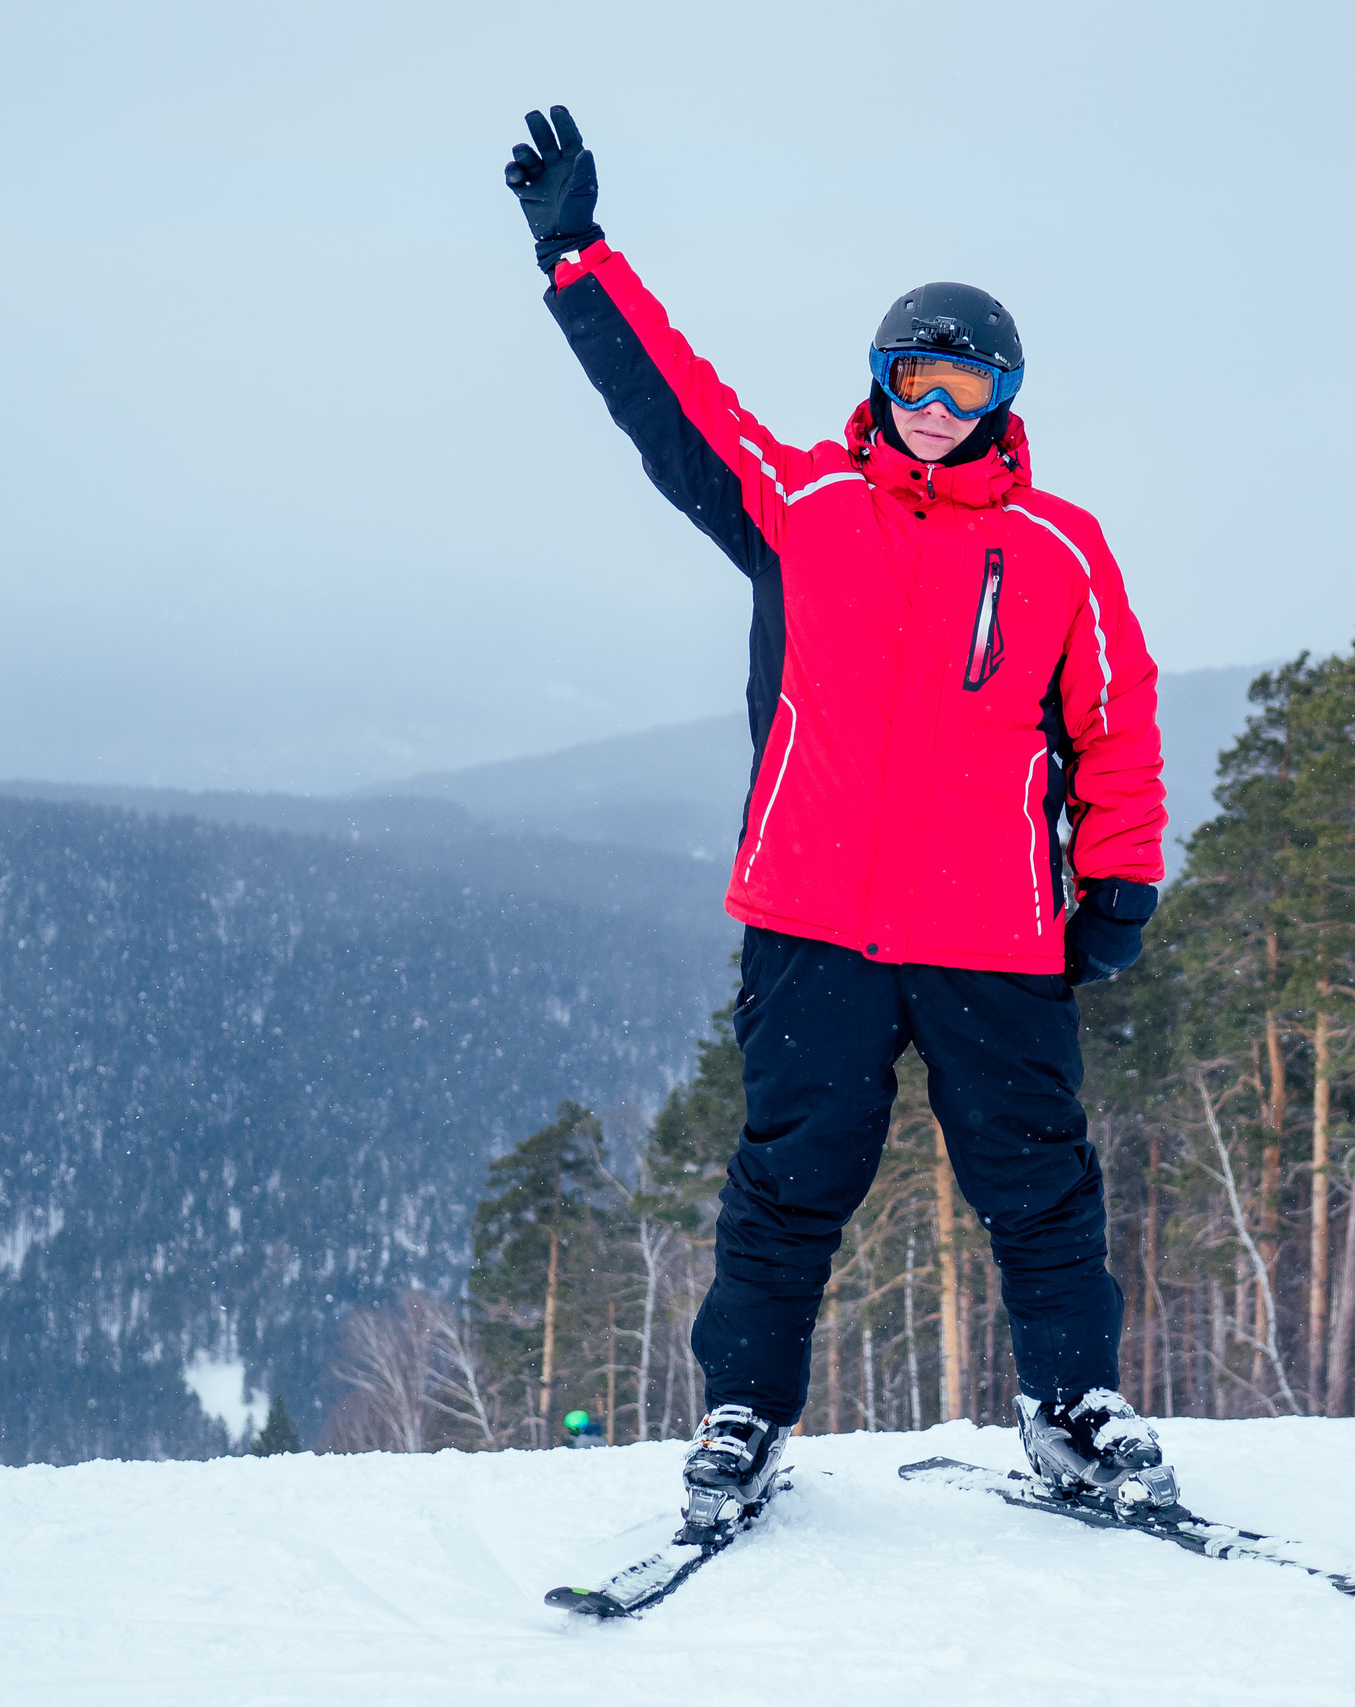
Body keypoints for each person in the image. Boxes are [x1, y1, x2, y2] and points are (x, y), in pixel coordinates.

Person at [504, 107, 1171, 1536]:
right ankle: (743, 1413)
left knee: (1042, 1183)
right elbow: (671, 401)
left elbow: (1117, 715)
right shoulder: (802, 501)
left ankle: (1075, 1404)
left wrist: (1116, 877)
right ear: (880, 379)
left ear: (1004, 396)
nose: (939, 404)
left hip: (995, 930)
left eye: (967, 382)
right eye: (915, 376)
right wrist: (577, 255)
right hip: (817, 918)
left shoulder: (1058, 547)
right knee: (790, 1178)